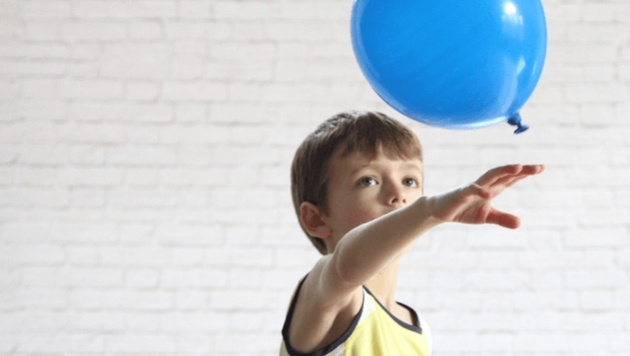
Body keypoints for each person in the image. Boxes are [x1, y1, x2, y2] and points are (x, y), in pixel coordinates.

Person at [280, 111, 544, 355]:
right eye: (368, 181)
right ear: (316, 218)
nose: (399, 194)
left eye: (409, 181)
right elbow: (346, 266)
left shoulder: (418, 328)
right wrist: (428, 210)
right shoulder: (323, 293)